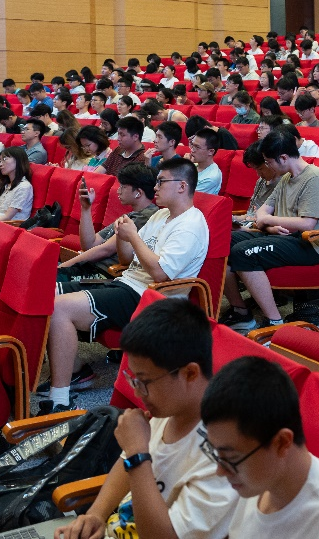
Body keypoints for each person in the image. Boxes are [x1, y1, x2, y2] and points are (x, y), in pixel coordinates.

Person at [55, 298, 237, 539]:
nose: (137, 393)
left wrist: (137, 455)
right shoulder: (172, 408)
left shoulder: (223, 458)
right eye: (133, 379)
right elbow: (125, 464)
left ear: (190, 373)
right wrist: (96, 514)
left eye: (144, 382)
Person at [44, 156, 210, 413]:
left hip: (153, 299)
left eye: (161, 182)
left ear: (182, 186)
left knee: (59, 308)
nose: (155, 187)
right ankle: (75, 370)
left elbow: (160, 274)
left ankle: (60, 400)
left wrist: (133, 236)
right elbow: (126, 259)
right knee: (44, 294)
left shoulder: (190, 225)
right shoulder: (161, 215)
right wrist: (124, 237)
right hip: (126, 284)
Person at [199, 356, 319, 539]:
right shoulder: (256, 478)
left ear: (282, 442)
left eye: (231, 458)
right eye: (216, 454)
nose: (220, 471)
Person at [224, 129, 319, 333]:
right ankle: (241, 311)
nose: (268, 167)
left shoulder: (314, 177)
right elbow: (262, 212)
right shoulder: (285, 178)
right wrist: (269, 224)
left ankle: (274, 322)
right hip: (280, 236)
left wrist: (267, 220)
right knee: (223, 241)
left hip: (308, 244)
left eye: (269, 162)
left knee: (243, 252)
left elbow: (307, 223)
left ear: (283, 158)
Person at [56, 164, 159, 282]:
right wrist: (86, 208)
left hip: (105, 274)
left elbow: (105, 250)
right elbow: (90, 244)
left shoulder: (146, 216)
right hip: (91, 268)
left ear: (138, 193)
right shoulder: (130, 215)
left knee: (49, 277)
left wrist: (62, 267)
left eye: (123, 187)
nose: (118, 191)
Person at [188, 128, 223, 195]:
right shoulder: (194, 164)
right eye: (192, 145)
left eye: (197, 147)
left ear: (211, 152)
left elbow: (185, 198)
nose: (192, 150)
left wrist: (184, 167)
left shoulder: (211, 177)